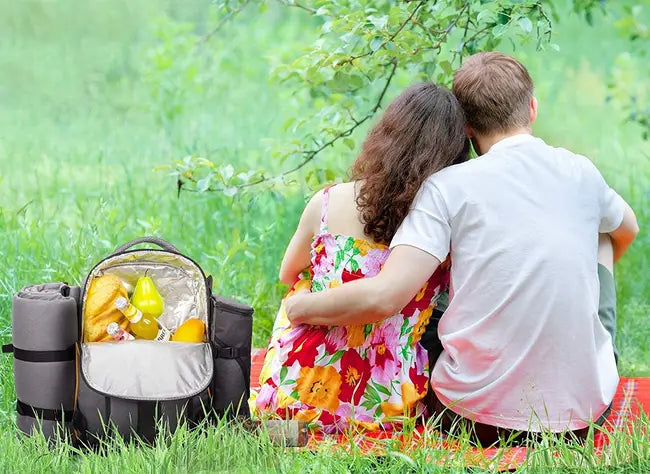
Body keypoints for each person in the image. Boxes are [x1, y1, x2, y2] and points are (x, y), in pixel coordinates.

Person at [286, 52, 639, 444]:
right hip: (583, 418)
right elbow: (629, 229)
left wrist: (298, 307)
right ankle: (589, 354)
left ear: (467, 128)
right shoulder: (581, 172)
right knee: (603, 237)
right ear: (532, 108)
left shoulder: (448, 187)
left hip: (473, 420)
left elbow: (385, 296)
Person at [252, 83, 469, 432]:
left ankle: (283, 402)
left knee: (304, 281)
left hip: (300, 394)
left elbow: (288, 273)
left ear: (386, 135)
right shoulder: (442, 224)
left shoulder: (327, 202)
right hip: (385, 406)